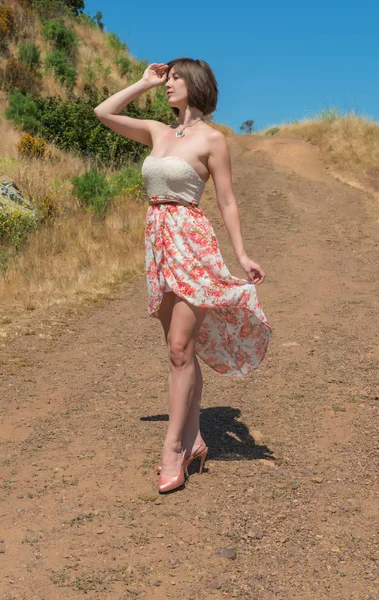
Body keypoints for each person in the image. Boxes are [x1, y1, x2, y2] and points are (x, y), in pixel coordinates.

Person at [94, 58, 272, 494]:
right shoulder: (157, 131)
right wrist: (141, 82)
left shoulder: (212, 140)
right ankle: (193, 439)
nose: (167, 85)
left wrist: (243, 253)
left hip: (192, 245)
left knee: (178, 349)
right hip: (157, 245)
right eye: (167, 78)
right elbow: (103, 113)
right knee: (181, 352)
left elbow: (228, 201)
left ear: (195, 84)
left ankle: (172, 449)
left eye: (174, 78)